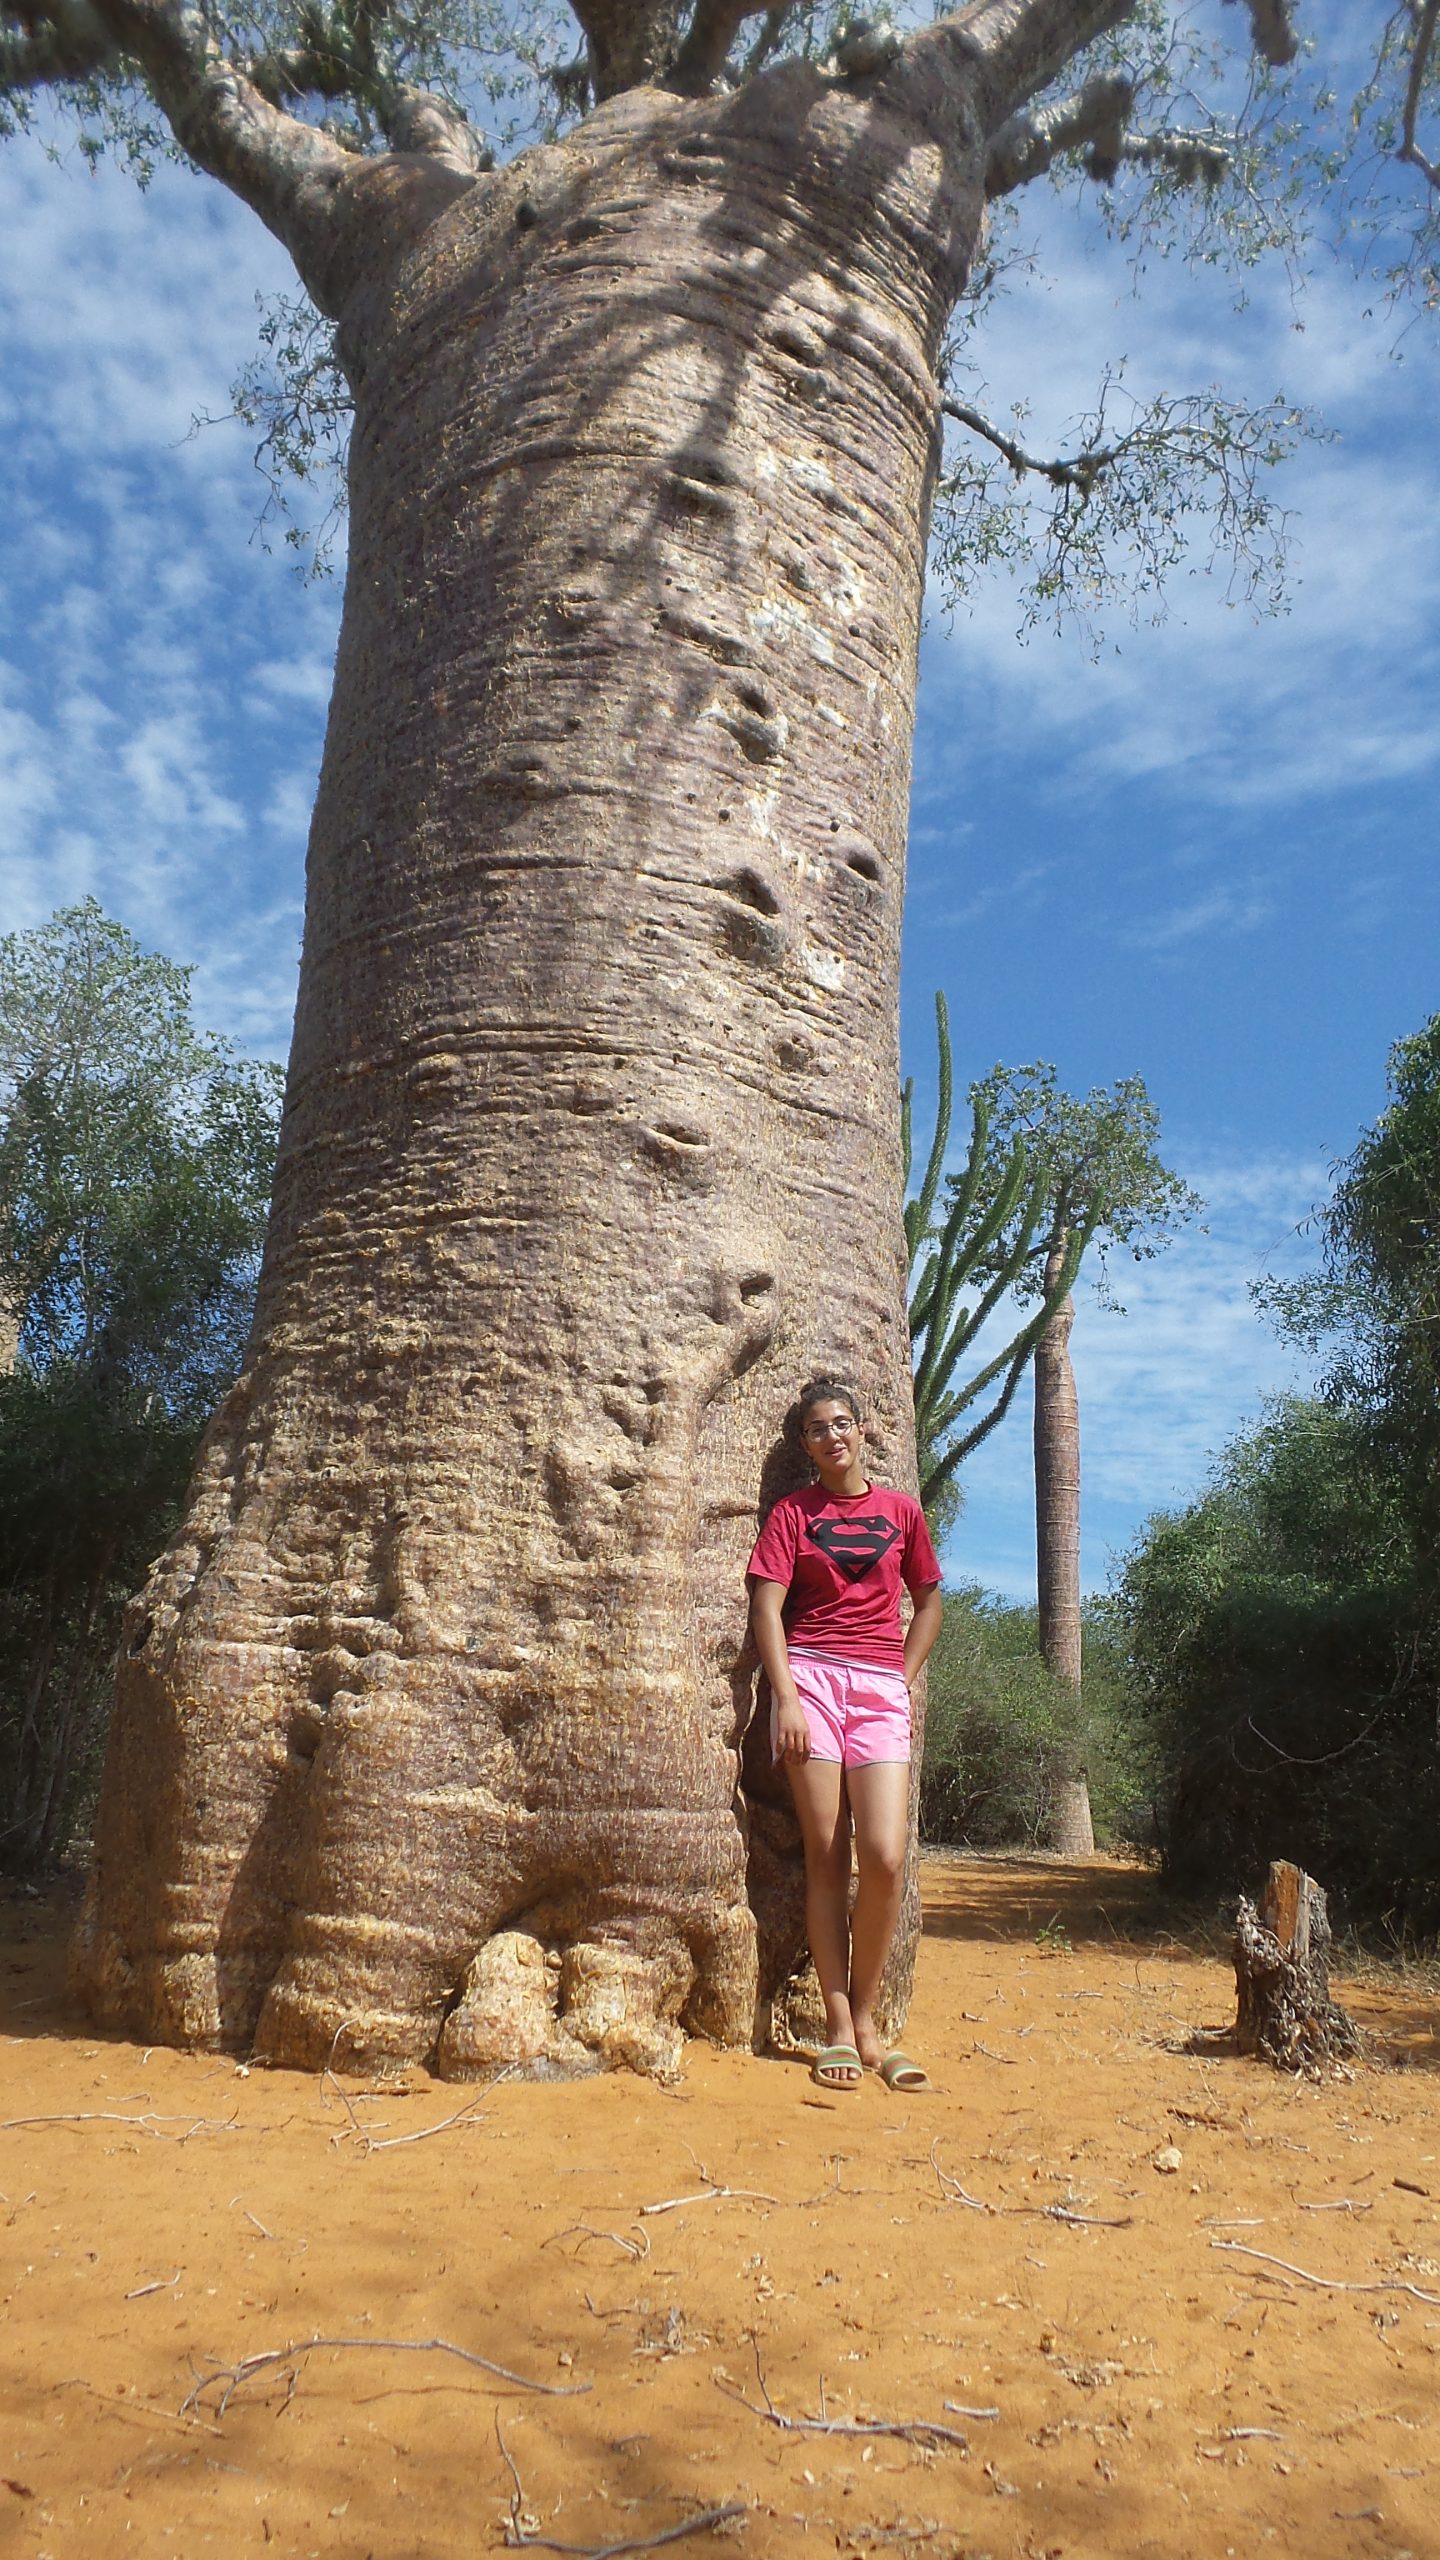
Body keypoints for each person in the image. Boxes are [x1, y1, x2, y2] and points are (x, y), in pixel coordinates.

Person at [748, 1377, 943, 2092]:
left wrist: (903, 1677)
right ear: (805, 1445)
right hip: (811, 1684)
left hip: (878, 1690)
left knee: (886, 1856)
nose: (833, 1437)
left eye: (842, 1424)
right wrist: (787, 1698)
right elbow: (768, 1610)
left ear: (862, 1432)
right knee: (827, 1855)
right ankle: (840, 2025)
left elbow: (927, 1602)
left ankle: (869, 2020)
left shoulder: (902, 1513)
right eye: (817, 1429)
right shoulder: (792, 1515)